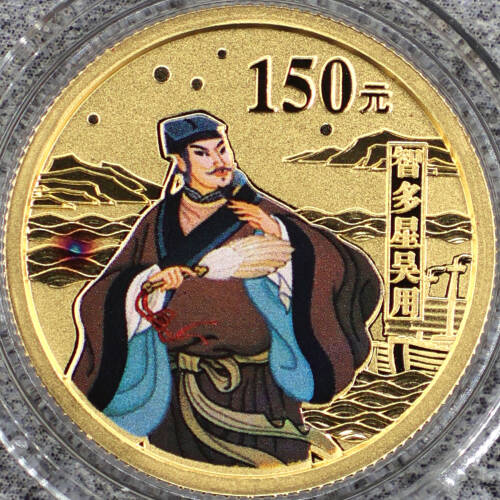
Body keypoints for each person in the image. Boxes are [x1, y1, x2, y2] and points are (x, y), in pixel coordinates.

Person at [67, 111, 382, 467]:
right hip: (175, 396)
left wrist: (281, 235)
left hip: (256, 393)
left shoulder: (259, 213)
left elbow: (341, 267)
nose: (218, 161)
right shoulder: (158, 220)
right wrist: (149, 283)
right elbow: (102, 295)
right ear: (179, 162)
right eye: (202, 153)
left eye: (222, 149)